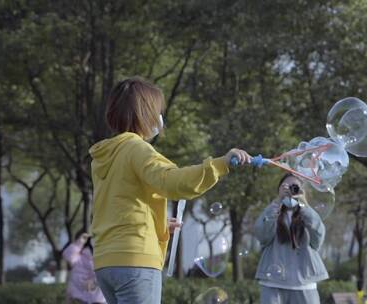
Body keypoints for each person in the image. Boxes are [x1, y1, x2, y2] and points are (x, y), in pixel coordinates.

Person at [90, 77, 251, 304]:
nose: (159, 118)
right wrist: (221, 164)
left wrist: (158, 226)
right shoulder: (137, 148)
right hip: (135, 260)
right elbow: (172, 182)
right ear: (145, 113)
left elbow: (117, 206)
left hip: (106, 261)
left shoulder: (104, 156)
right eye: (157, 110)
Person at [254, 173, 328, 304]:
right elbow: (262, 235)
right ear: (279, 190)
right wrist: (277, 203)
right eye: (286, 187)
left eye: (295, 187)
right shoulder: (272, 212)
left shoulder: (308, 215)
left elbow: (318, 239)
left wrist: (304, 205)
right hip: (272, 284)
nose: (290, 191)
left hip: (304, 282)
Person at [63, 231, 106, 304]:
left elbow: (105, 276)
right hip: (79, 296)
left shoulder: (101, 258)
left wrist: (94, 282)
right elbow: (67, 254)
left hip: (98, 298)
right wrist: (79, 243)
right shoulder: (79, 258)